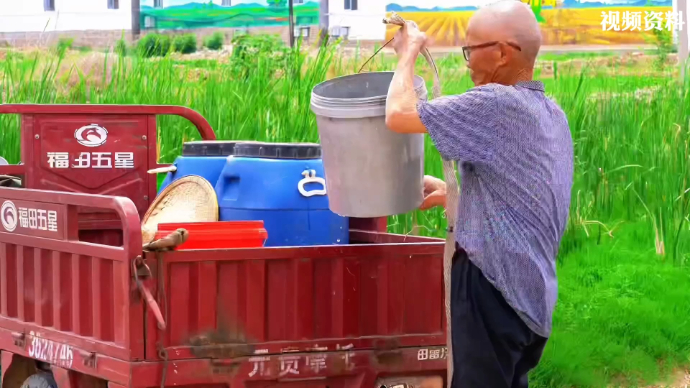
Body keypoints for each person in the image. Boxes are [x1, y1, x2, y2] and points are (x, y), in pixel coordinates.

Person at [384, 1, 574, 387]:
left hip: (493, 289)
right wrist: (452, 194)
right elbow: (523, 199)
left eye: (471, 50)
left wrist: (407, 56)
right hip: (530, 299)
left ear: (503, 53)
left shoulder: (497, 103)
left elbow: (398, 115)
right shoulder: (550, 113)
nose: (466, 60)